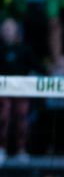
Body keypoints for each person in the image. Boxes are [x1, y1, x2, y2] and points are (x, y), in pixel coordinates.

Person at [0, 18, 35, 166]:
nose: (7, 32)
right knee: (3, 114)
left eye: (10, 29)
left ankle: (21, 149)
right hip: (2, 92)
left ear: (16, 32)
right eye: (5, 29)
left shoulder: (25, 49)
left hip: (22, 90)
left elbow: (38, 67)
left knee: (22, 117)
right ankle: (1, 148)